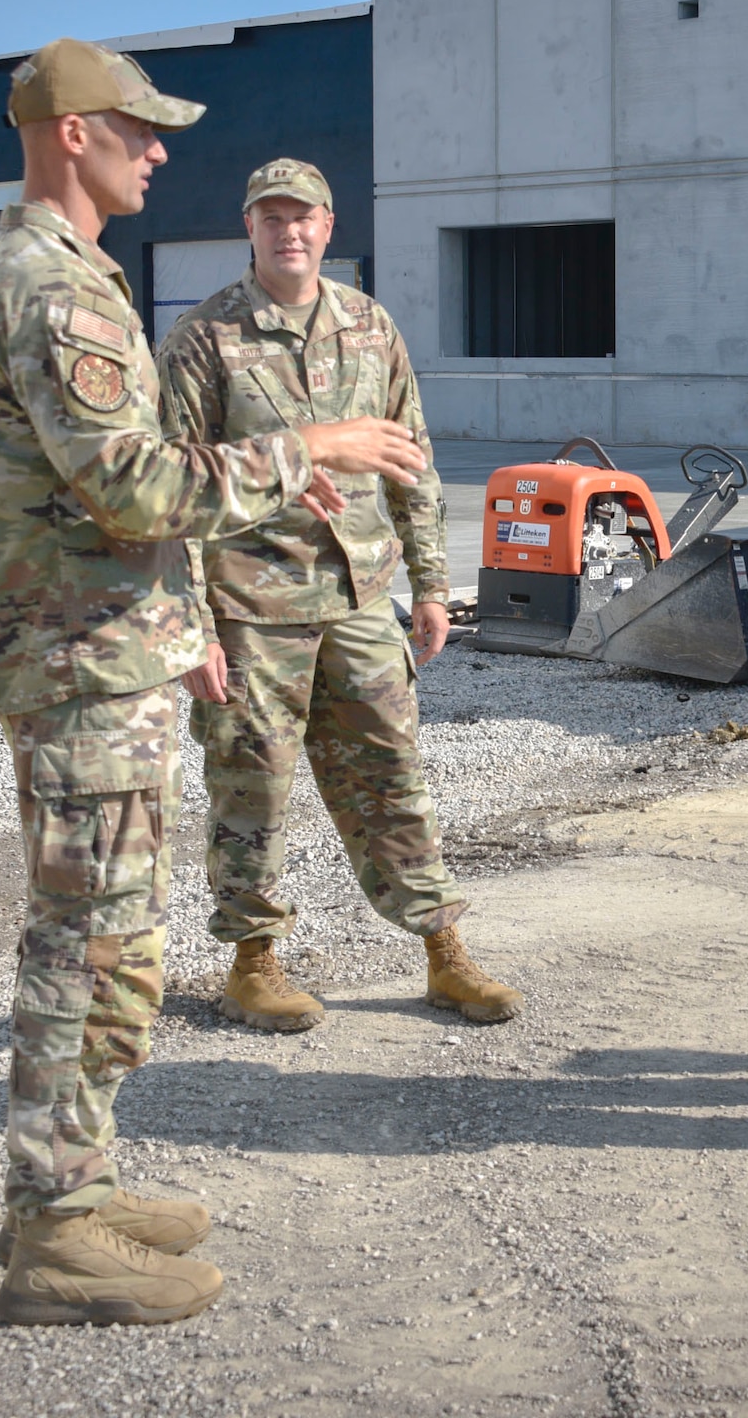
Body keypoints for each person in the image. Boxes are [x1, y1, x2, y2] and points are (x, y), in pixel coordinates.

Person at [0, 41, 427, 1324]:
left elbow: (124, 485)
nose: (159, 150)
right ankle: (53, 1233)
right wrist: (303, 446)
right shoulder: (50, 286)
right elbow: (134, 482)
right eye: (137, 129)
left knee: (115, 938)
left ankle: (77, 1186)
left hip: (108, 642)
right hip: (79, 658)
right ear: (69, 136)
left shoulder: (68, 272)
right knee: (91, 945)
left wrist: (180, 607)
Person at [157, 157, 523, 1034]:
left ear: (329, 228)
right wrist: (190, 628)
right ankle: (252, 962)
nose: (289, 231)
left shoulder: (370, 326)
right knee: (253, 788)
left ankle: (442, 951)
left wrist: (433, 583)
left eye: (305, 216)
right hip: (249, 608)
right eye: (271, 216)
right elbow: (169, 491)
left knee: (394, 773)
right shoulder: (204, 340)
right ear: (248, 228)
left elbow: (412, 459)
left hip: (359, 596)